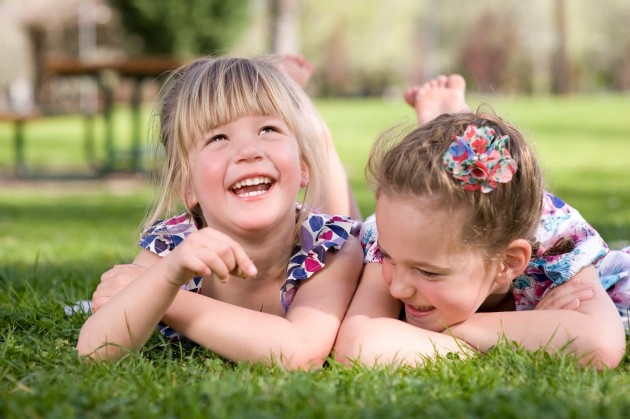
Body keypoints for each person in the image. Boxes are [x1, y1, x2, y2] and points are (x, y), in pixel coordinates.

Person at [76, 56, 364, 369]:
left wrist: (168, 297)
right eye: (218, 137)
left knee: (350, 221)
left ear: (303, 168)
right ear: (187, 187)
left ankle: (316, 130)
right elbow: (95, 351)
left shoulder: (333, 248)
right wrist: (167, 274)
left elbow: (300, 352)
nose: (248, 151)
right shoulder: (175, 245)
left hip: (321, 227)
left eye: (268, 128)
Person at [334, 75, 628, 370]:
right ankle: (449, 126)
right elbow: (357, 346)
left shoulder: (557, 242)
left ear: (507, 264)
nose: (397, 288)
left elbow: (600, 346)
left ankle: (455, 123)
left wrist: (445, 331)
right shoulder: (395, 235)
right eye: (388, 258)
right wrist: (528, 332)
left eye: (428, 272)